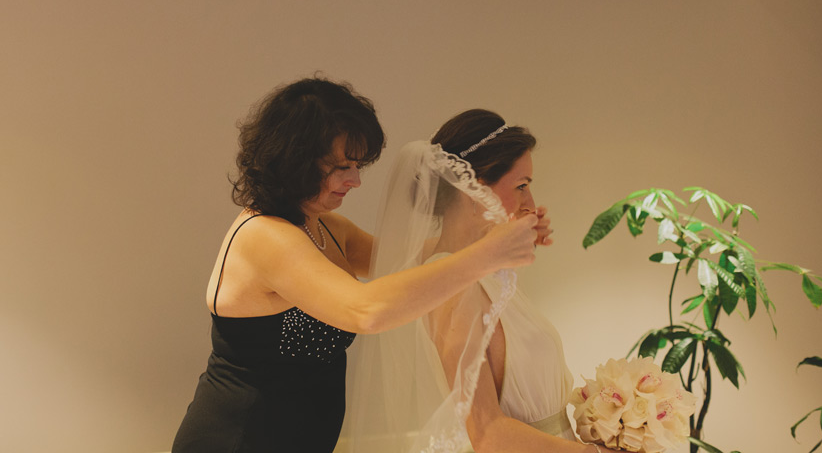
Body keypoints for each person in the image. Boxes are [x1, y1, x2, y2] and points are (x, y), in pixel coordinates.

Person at [171, 80, 549, 453]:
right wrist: (488, 254)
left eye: (358, 165)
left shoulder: (323, 228)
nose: (354, 180)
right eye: (341, 166)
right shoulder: (264, 238)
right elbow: (366, 310)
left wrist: (505, 233)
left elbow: (422, 257)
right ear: (294, 161)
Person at [343, 109, 613, 453]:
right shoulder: (455, 289)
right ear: (474, 191)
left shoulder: (483, 274)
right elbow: (485, 434)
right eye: (521, 186)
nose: (530, 203)